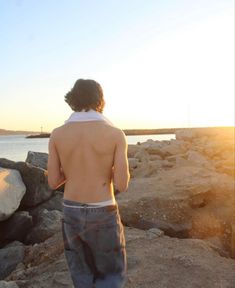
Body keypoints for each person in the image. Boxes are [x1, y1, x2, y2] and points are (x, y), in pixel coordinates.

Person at [47, 79, 130, 288]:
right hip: (103, 209)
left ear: (72, 100)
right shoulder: (115, 134)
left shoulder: (57, 134)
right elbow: (122, 183)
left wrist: (73, 169)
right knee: (110, 276)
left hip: (71, 209)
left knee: (81, 275)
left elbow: (53, 181)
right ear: (100, 100)